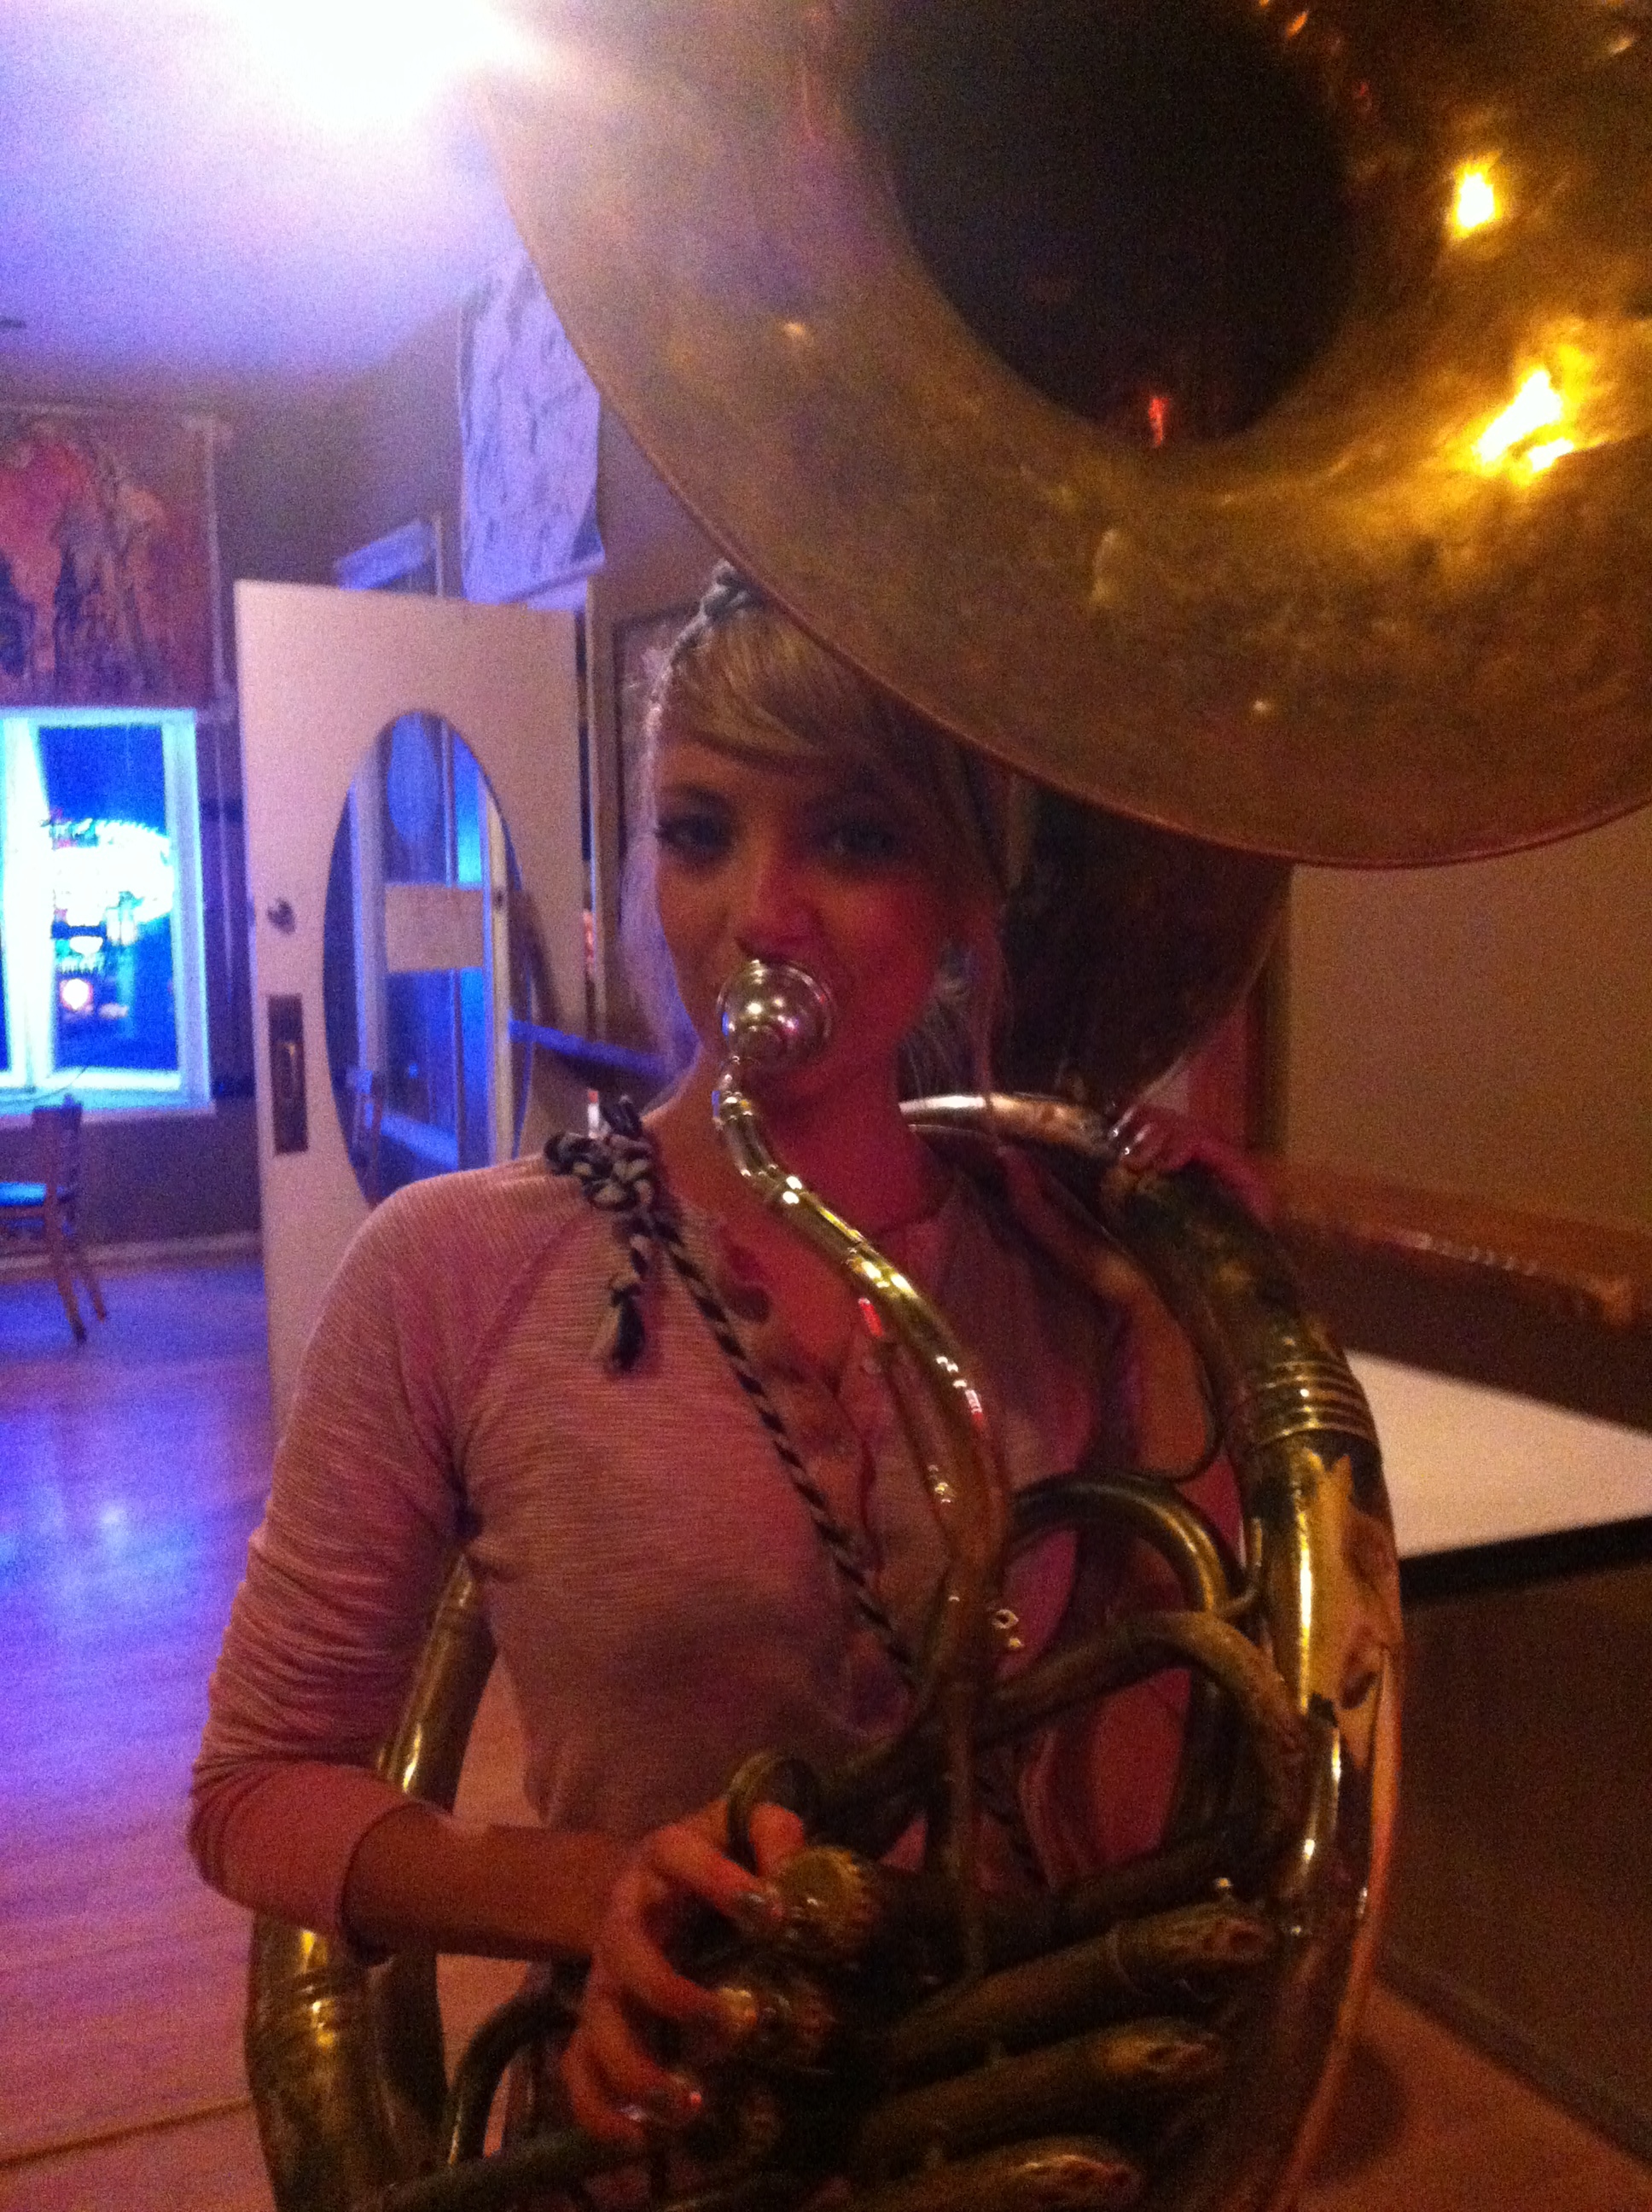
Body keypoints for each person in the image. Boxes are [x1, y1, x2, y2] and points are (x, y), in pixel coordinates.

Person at [191, 567, 1233, 2155]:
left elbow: (1149, 1803)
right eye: (699, 833)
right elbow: (255, 1791)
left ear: (967, 896)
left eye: (856, 839)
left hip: (1021, 2119)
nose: (762, 914)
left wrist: (1177, 1332)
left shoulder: (1062, 1264)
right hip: (663, 2135)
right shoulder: (450, 1269)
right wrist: (594, 1890)